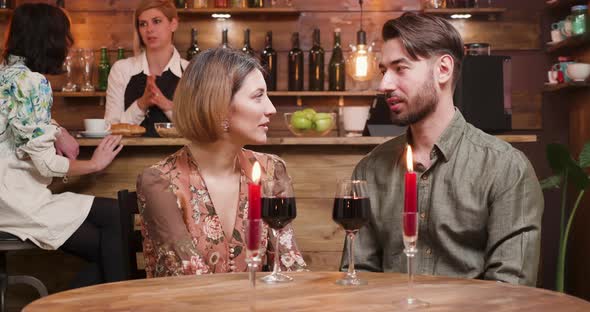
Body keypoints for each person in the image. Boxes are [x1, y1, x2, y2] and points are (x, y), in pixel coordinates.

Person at [341, 12, 544, 286]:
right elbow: (357, 275)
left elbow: (510, 289)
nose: (384, 85)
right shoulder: (370, 169)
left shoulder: (506, 168)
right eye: (383, 71)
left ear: (443, 69)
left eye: (400, 69)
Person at [137, 48, 307, 277]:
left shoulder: (271, 170)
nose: (272, 109)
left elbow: (290, 267)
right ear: (220, 106)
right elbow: (186, 279)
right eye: (258, 96)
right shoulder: (160, 181)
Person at [0, 3, 126, 287]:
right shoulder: (34, 83)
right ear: (50, 39)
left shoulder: (7, 74)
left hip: (7, 198)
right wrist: (95, 164)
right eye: (66, 35)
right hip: (18, 202)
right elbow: (47, 163)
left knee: (112, 237)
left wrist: (57, 131)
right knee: (117, 238)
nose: (71, 43)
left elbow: (18, 119)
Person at [104, 0, 188, 137]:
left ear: (173, 24)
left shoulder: (191, 72)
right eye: (143, 24)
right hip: (128, 157)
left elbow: (200, 130)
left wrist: (166, 104)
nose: (149, 29)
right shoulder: (121, 70)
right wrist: (141, 104)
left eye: (157, 21)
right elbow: (110, 128)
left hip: (179, 157)